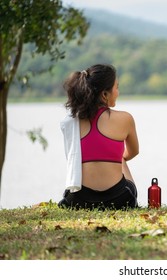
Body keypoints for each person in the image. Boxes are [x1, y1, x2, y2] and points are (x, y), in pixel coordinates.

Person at [58, 64, 139, 210]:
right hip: (119, 199)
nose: (118, 92)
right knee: (121, 158)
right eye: (117, 87)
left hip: (79, 199)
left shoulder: (72, 122)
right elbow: (133, 152)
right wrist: (117, 157)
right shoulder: (125, 119)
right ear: (105, 94)